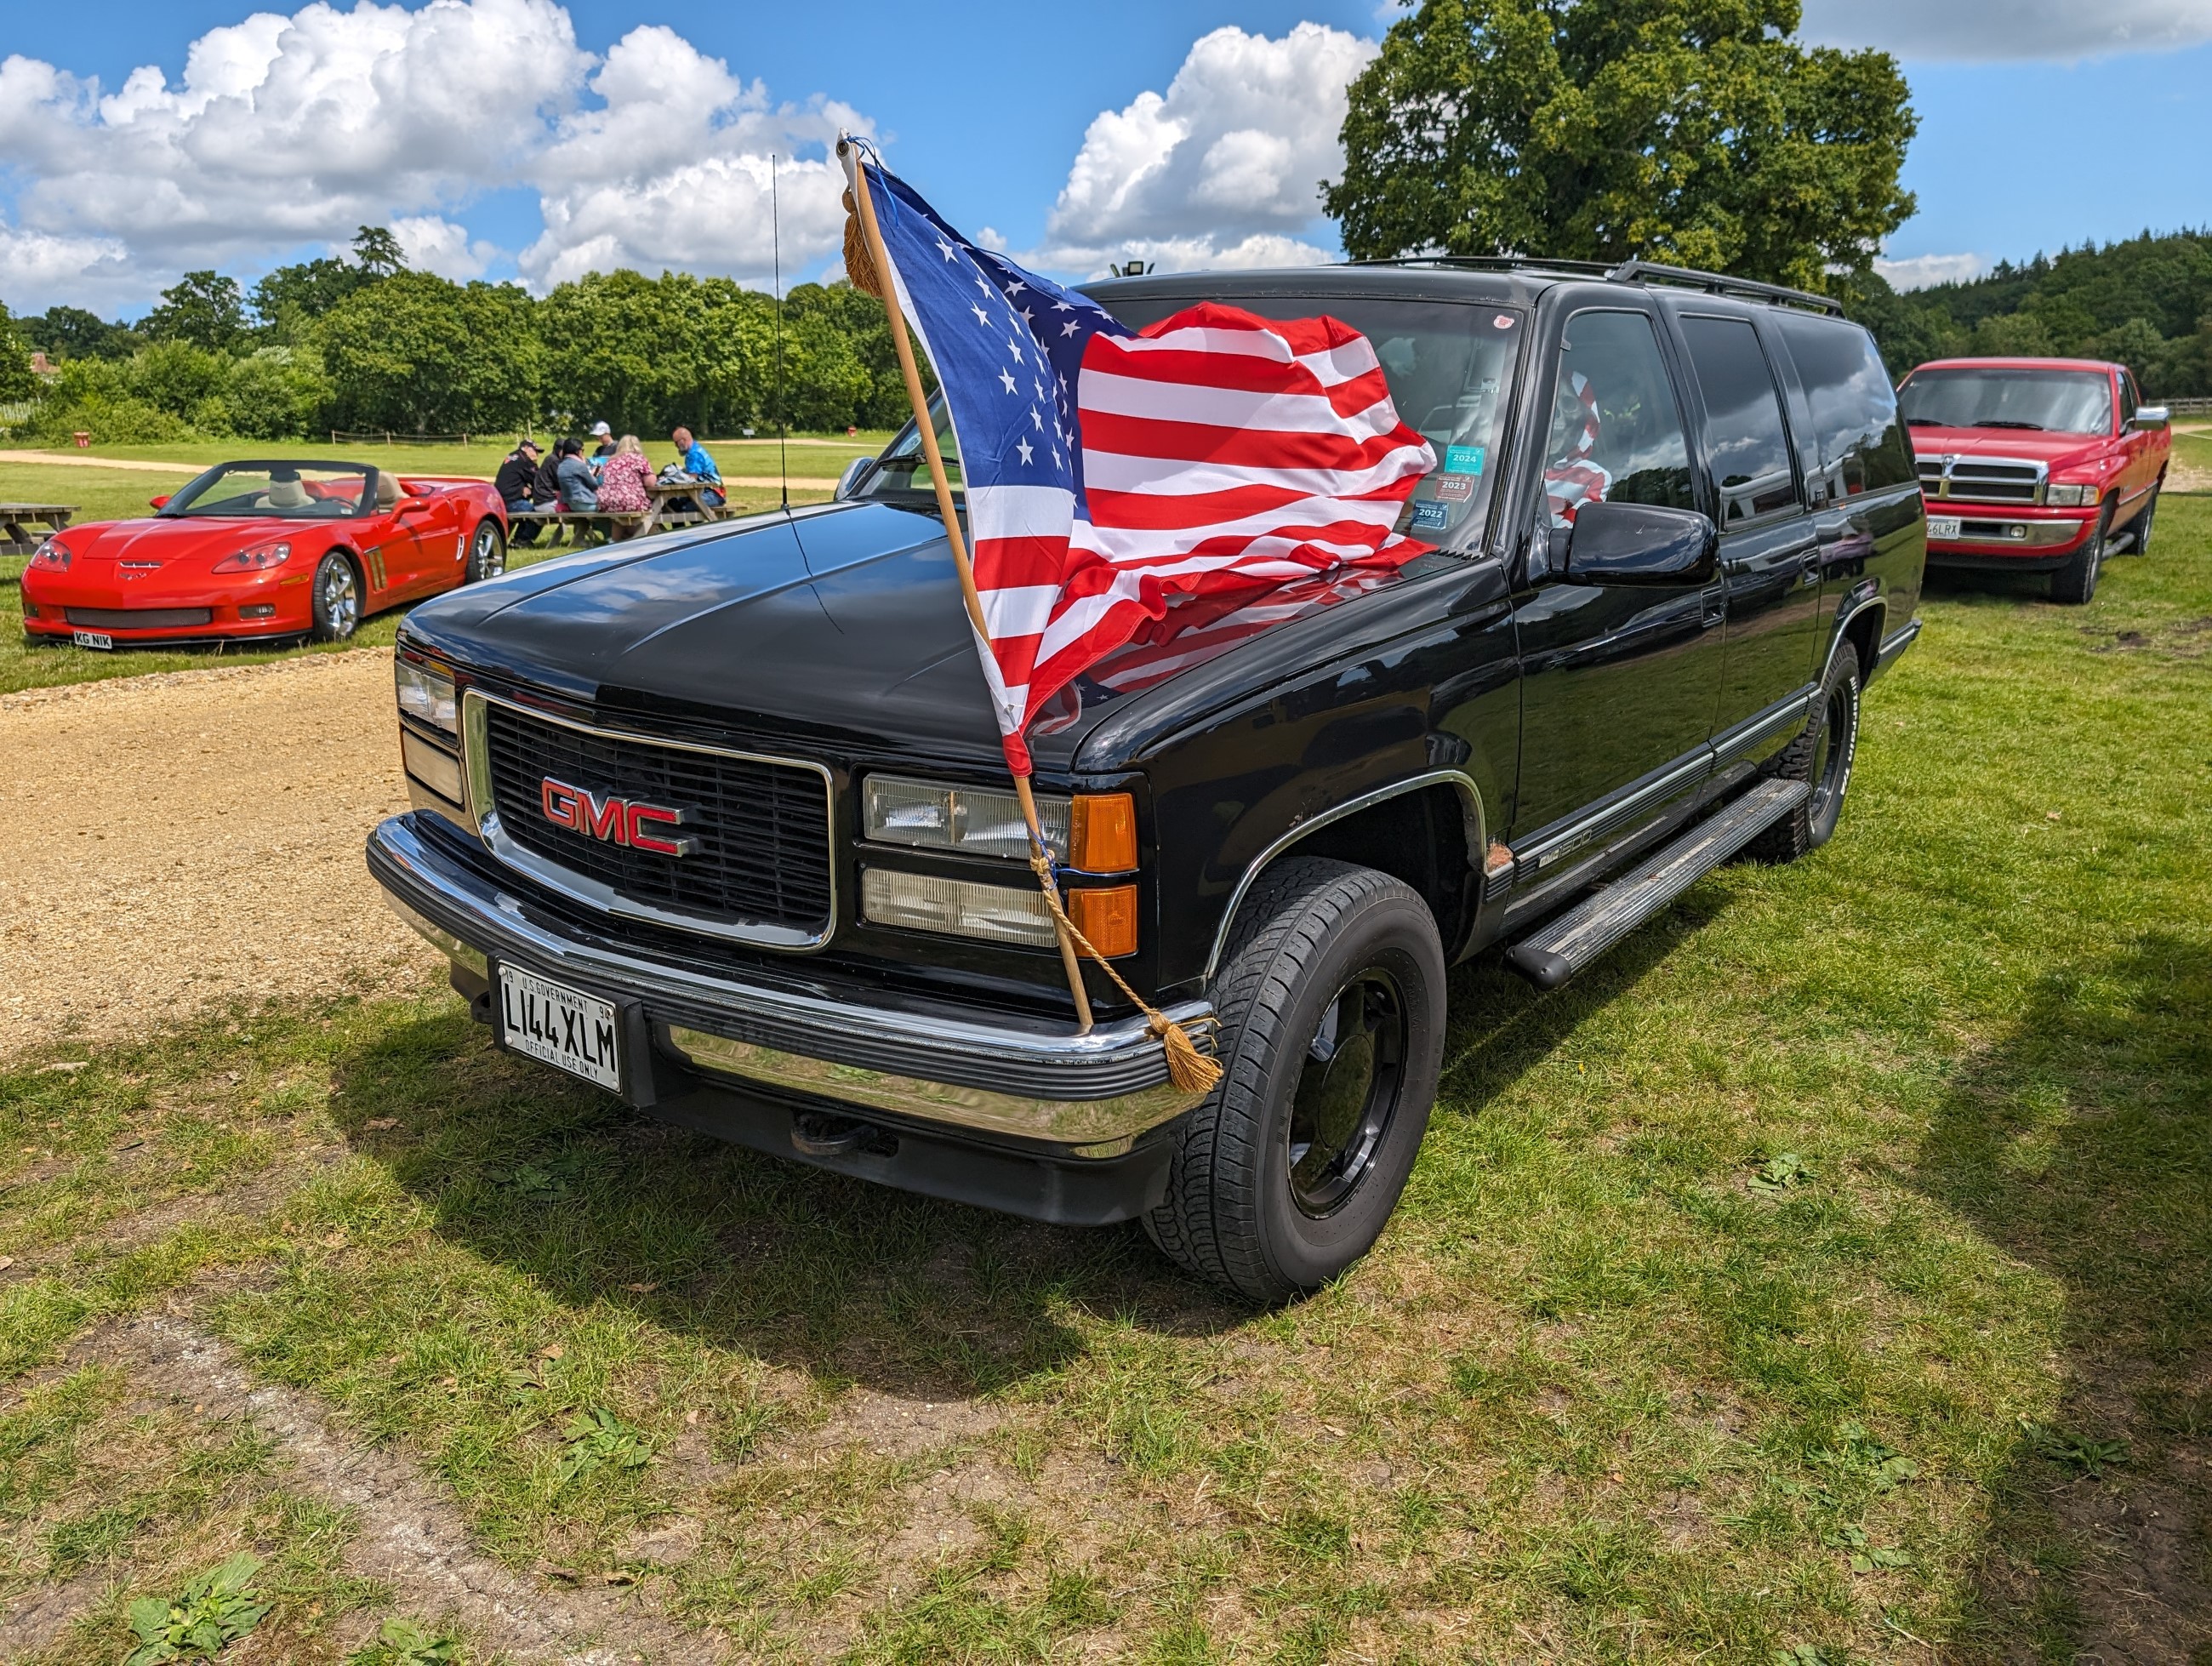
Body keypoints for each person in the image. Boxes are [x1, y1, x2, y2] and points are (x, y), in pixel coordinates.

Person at [596, 434, 653, 540]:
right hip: (629, 501)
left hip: (606, 502)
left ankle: (616, 540)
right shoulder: (638, 459)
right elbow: (650, 483)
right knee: (652, 508)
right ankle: (645, 538)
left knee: (618, 518)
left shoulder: (610, 461)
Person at [494, 438, 547, 545]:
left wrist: (525, 489)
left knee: (527, 511)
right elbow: (538, 480)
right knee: (538, 513)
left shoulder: (513, 456)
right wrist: (535, 463)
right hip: (511, 501)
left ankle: (517, 540)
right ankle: (523, 540)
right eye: (535, 450)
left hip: (501, 499)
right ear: (526, 448)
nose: (536, 454)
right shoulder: (525, 460)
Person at [670, 425, 726, 509]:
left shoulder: (695, 454)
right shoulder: (694, 449)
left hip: (713, 494)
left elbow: (691, 479)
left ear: (683, 441)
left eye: (676, 442)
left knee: (686, 508)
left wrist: (673, 478)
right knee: (673, 503)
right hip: (705, 492)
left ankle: (704, 522)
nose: (676, 446)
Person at [554, 436, 599, 511]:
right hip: (585, 503)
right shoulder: (579, 465)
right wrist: (593, 473)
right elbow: (594, 485)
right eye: (582, 450)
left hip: (571, 505)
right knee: (608, 509)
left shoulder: (561, 465)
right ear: (577, 451)